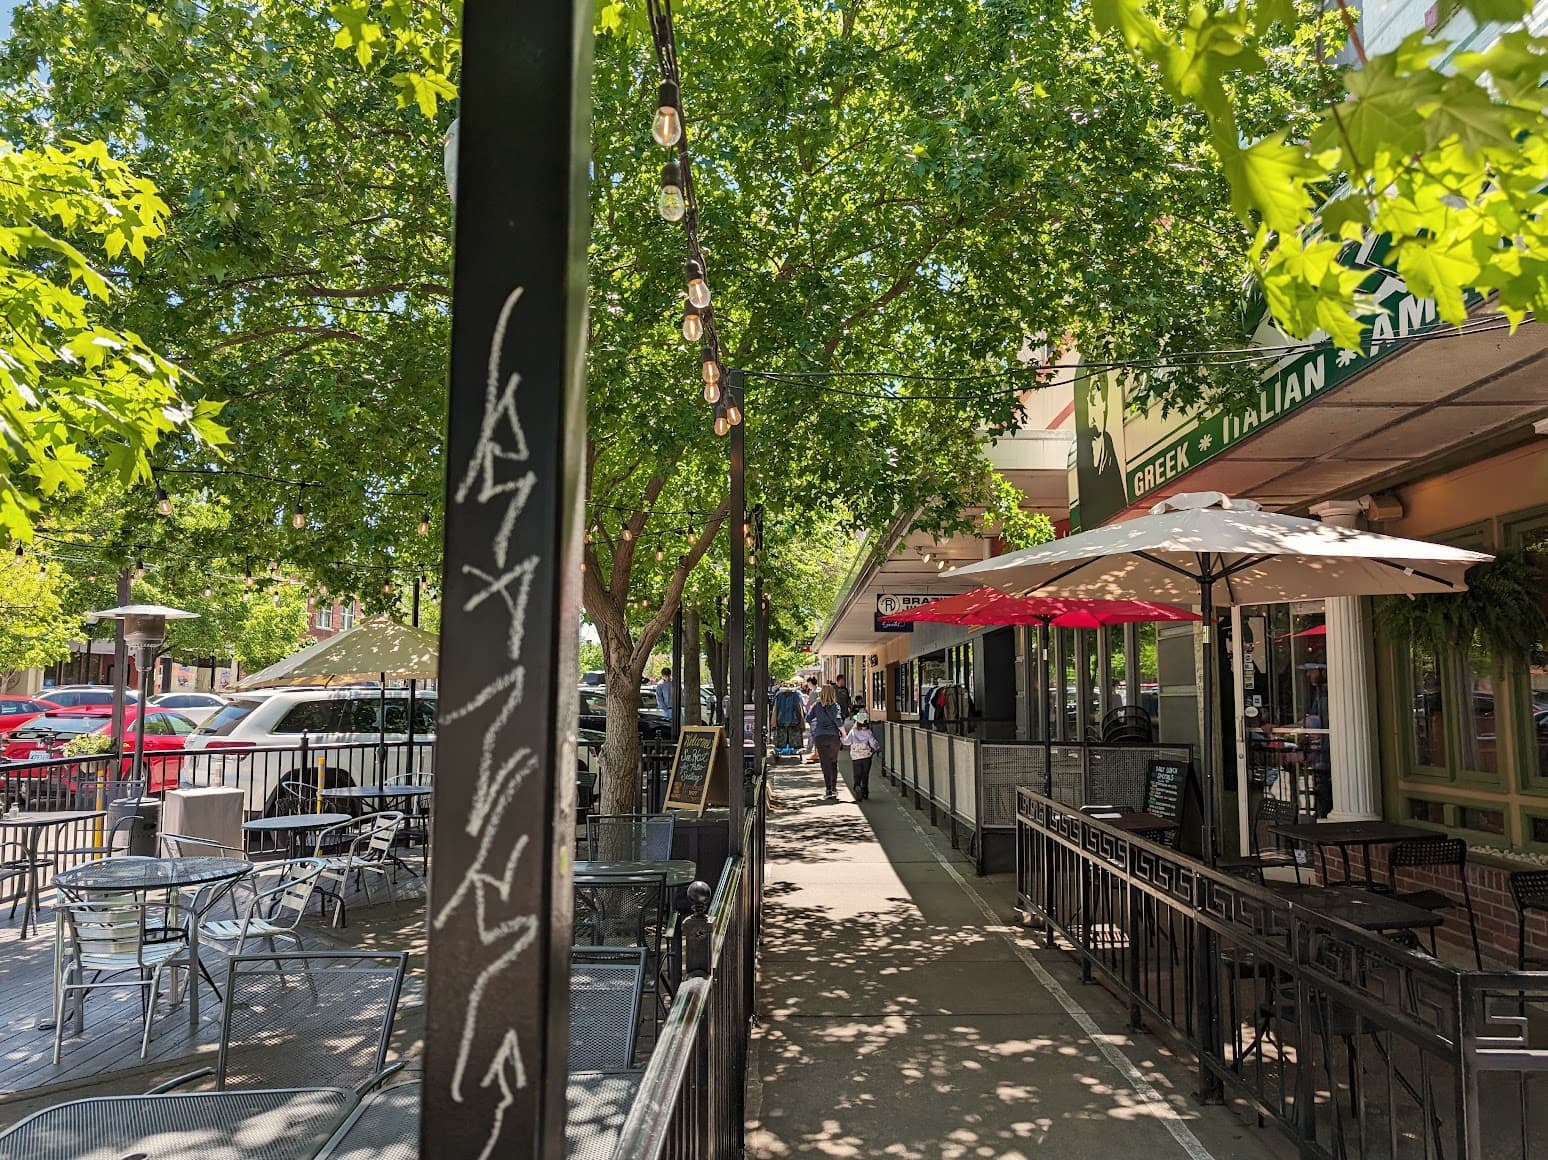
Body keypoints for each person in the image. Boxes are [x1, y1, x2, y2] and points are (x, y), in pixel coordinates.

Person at [806, 684, 846, 801]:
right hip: (833, 737)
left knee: (825, 764)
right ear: (833, 693)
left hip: (820, 736)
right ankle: (834, 788)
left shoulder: (816, 705)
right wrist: (844, 733)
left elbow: (808, 718)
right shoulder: (835, 706)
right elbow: (838, 720)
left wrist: (817, 724)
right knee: (833, 762)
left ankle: (828, 790)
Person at [841, 710, 880, 801]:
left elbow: (847, 742)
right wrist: (877, 747)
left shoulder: (853, 731)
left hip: (856, 757)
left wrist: (842, 737)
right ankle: (865, 791)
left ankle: (857, 786)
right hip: (866, 756)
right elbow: (873, 743)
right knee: (865, 775)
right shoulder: (868, 732)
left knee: (857, 774)